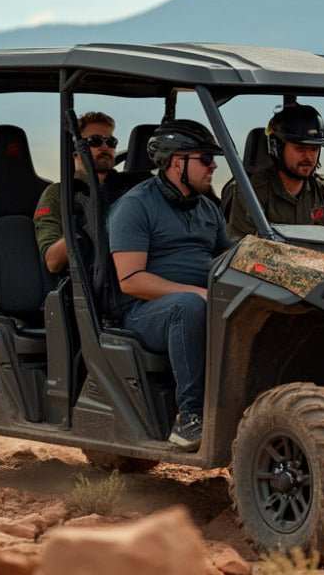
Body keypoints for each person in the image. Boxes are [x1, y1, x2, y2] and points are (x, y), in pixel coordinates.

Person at [107, 119, 232, 452]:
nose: (213, 166)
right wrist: (199, 294)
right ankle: (190, 416)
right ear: (178, 162)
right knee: (189, 307)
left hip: (201, 300)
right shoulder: (135, 206)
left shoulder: (207, 207)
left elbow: (228, 257)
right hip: (144, 312)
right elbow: (130, 280)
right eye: (205, 158)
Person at [225, 103, 324, 239]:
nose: (308, 157)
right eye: (300, 148)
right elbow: (241, 249)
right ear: (276, 148)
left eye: (314, 149)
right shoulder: (251, 192)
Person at [34, 111, 121, 274]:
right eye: (95, 141)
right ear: (75, 150)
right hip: (91, 283)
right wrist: (87, 225)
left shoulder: (130, 188)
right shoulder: (60, 193)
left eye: (111, 142)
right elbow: (52, 261)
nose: (105, 147)